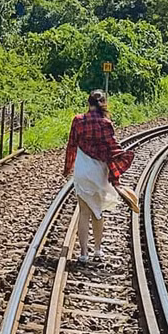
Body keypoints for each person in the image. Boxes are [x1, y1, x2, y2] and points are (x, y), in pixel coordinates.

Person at [63, 89, 133, 262]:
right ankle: (97, 250)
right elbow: (113, 148)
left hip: (82, 170)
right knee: (98, 212)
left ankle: (83, 254)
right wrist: (118, 172)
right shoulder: (105, 123)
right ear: (103, 104)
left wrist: (68, 168)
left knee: (84, 212)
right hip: (98, 172)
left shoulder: (78, 121)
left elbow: (71, 146)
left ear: (88, 103)